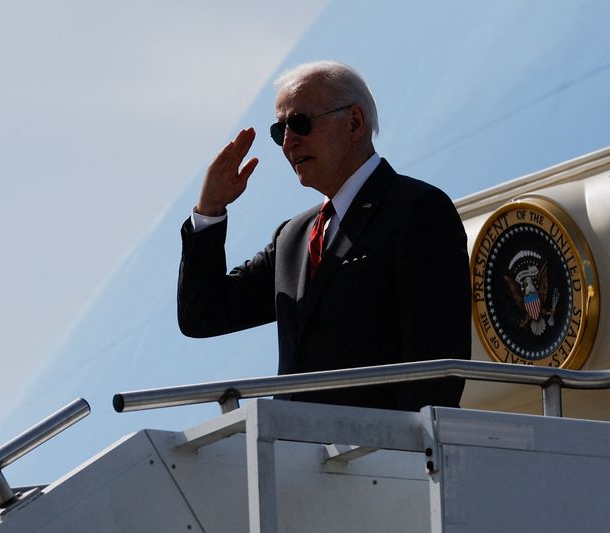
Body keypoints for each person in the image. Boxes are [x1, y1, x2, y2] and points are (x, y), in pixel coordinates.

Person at [177, 61, 471, 411]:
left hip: (378, 458)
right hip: (293, 458)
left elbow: (438, 367)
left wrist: (397, 458)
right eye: (279, 131)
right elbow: (203, 315)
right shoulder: (293, 237)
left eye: (300, 123)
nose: (288, 141)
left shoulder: (416, 210)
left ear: (355, 122)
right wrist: (209, 210)